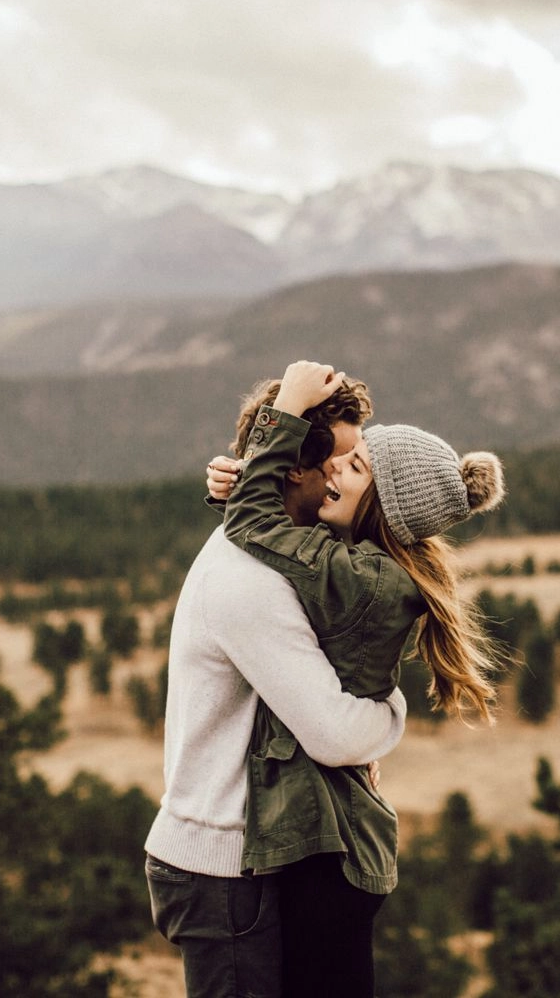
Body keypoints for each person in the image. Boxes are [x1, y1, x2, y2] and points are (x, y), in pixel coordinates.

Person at [209, 360, 507, 998]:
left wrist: (284, 409)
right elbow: (269, 526)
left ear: (383, 508)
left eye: (356, 466)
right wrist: (235, 478)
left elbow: (255, 527)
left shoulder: (362, 579)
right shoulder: (365, 564)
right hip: (335, 846)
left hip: (326, 854)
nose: (333, 469)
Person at [143, 373, 406, 998]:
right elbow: (334, 732)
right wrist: (393, 710)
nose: (351, 475)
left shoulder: (282, 549)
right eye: (344, 459)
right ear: (293, 469)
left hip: (245, 855)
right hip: (222, 866)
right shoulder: (251, 582)